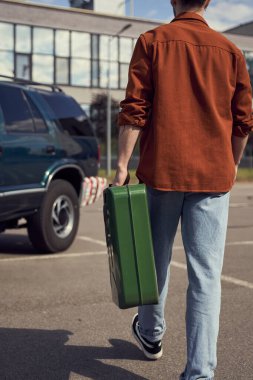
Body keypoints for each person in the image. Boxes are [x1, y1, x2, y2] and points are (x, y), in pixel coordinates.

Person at [112, 0, 253, 379]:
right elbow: (243, 122)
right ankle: (200, 373)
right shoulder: (231, 52)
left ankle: (152, 335)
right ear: (208, 2)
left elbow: (134, 109)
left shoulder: (152, 42)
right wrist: (231, 163)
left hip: (162, 172)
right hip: (213, 178)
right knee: (206, 277)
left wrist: (123, 165)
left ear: (173, 0)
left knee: (152, 261)